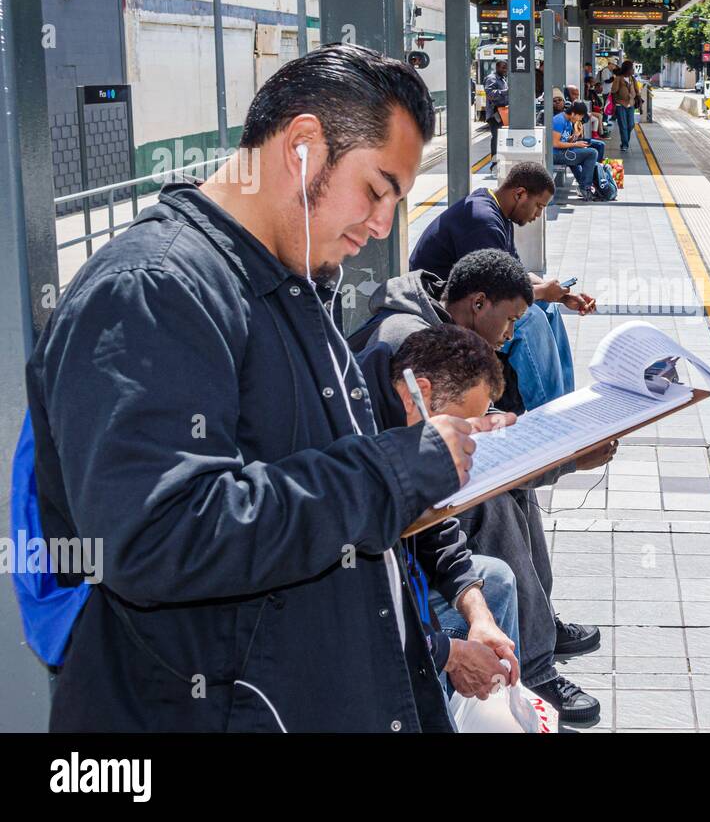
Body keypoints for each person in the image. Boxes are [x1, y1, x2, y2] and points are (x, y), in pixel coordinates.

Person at [25, 43, 510, 732]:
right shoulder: (153, 291)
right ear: (304, 145)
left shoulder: (288, 283)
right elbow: (155, 539)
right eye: (376, 191)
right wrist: (396, 467)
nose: (380, 228)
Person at [356, 253, 610, 723]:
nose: (511, 333)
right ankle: (533, 667)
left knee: (502, 526)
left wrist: (477, 612)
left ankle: (534, 636)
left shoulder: (442, 341)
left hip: (404, 528)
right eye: (511, 319)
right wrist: (449, 650)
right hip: (382, 564)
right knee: (493, 501)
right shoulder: (405, 344)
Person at [353, 326, 523, 701]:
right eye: (461, 426)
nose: (467, 444)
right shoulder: (357, 431)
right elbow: (362, 601)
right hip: (362, 615)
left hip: (400, 584)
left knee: (493, 581)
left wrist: (480, 616)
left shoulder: (409, 420)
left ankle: (503, 702)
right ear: (421, 393)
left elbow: (435, 529)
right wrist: (450, 654)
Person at [407, 163, 596, 409]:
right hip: (443, 308)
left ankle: (564, 402)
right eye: (539, 206)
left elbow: (515, 274)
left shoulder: (498, 214)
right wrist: (543, 294)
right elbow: (497, 291)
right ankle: (553, 417)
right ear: (519, 194)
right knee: (530, 320)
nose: (538, 215)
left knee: (548, 310)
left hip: (475, 298)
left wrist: (557, 295)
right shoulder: (482, 220)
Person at [552, 100, 601, 197]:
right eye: (580, 116)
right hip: (555, 154)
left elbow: (566, 141)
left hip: (563, 152)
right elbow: (555, 143)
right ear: (573, 113)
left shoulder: (569, 121)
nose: (580, 119)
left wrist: (575, 136)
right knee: (592, 153)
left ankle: (585, 185)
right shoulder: (559, 120)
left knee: (588, 152)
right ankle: (585, 187)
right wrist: (576, 145)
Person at [484, 59, 508, 175]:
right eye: (503, 68)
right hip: (495, 114)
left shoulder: (502, 79)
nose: (505, 70)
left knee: (501, 139)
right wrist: (506, 92)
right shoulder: (491, 78)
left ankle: (500, 163)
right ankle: (495, 164)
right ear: (497, 67)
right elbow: (490, 93)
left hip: (502, 113)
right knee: (497, 139)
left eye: (506, 68)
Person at [610, 60, 639, 151]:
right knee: (623, 125)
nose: (633, 70)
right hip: (620, 104)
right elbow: (613, 92)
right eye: (632, 68)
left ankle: (625, 141)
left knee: (630, 125)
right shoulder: (618, 78)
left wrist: (640, 106)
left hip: (631, 104)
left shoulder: (633, 79)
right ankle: (625, 144)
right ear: (627, 69)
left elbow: (637, 92)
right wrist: (614, 105)